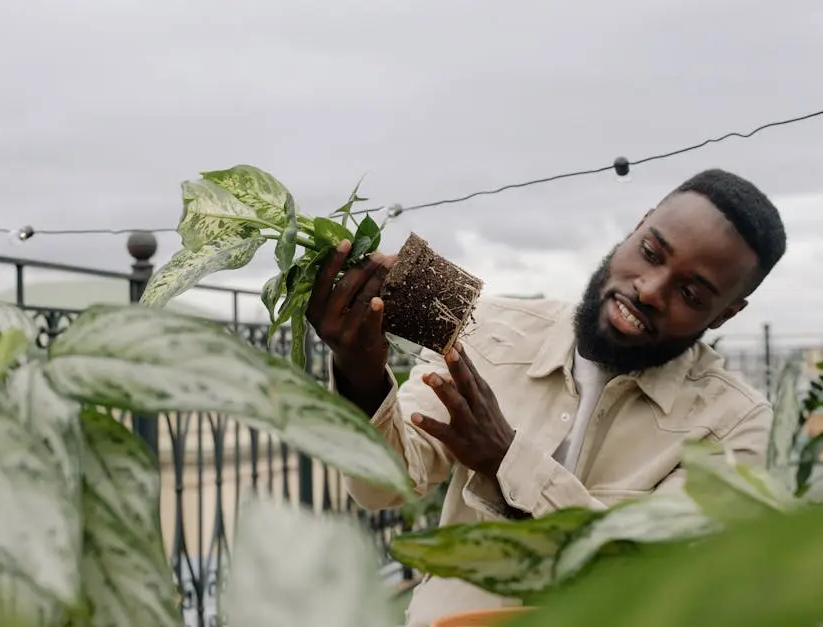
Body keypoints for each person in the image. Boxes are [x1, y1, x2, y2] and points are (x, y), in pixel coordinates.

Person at [306, 168, 787, 627]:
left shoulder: (733, 423)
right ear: (637, 227)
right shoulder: (486, 325)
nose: (649, 289)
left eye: (693, 293)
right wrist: (360, 374)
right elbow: (381, 487)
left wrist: (506, 462)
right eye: (651, 252)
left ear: (726, 314)